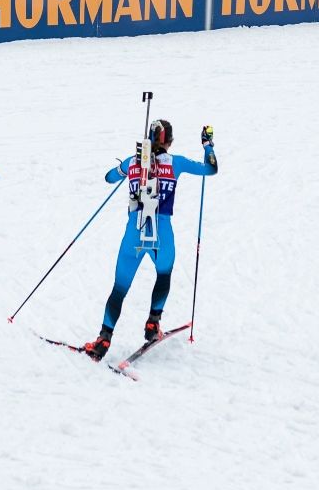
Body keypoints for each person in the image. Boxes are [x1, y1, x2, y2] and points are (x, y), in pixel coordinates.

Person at [81, 120, 219, 360]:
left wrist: (126, 170)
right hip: (162, 234)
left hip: (133, 233)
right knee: (164, 274)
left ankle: (103, 340)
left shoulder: (133, 162)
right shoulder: (176, 163)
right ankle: (153, 323)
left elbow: (109, 177)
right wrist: (207, 145)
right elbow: (211, 169)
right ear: (169, 141)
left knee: (119, 288)